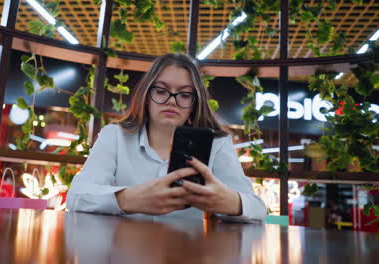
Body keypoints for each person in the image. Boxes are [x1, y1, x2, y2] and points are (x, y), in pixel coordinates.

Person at [66, 53, 267, 221]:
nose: (172, 101)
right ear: (146, 94)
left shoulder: (217, 143)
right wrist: (126, 199)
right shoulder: (115, 136)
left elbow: (258, 210)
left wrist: (231, 202)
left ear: (195, 103)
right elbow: (76, 197)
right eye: (161, 91)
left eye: (185, 94)